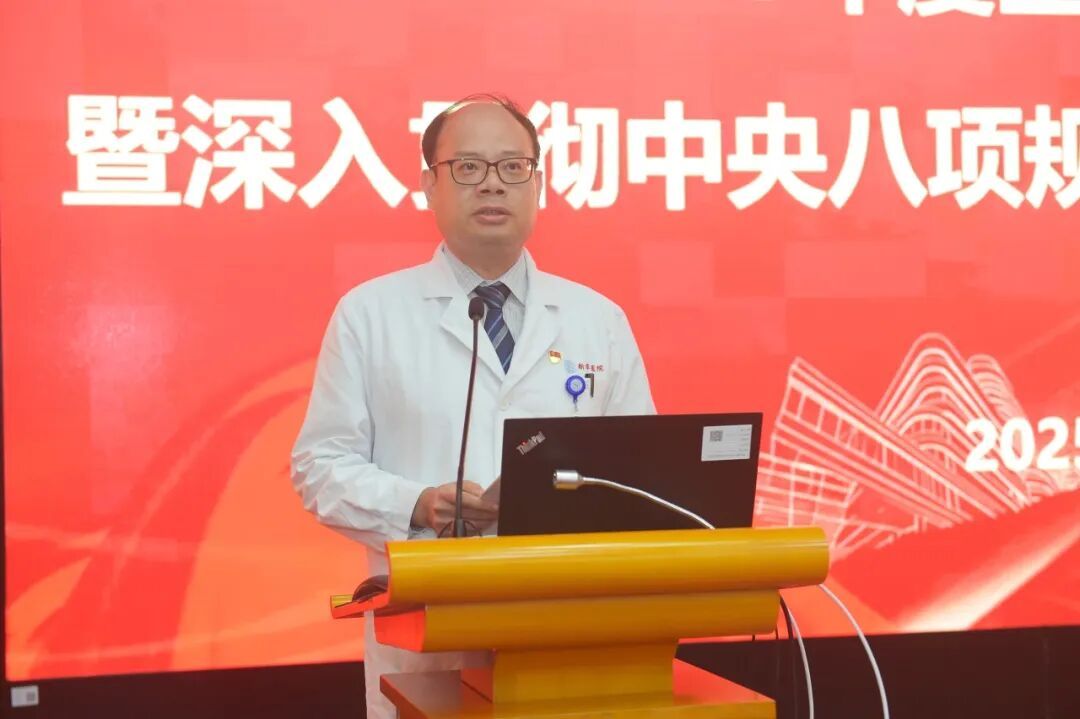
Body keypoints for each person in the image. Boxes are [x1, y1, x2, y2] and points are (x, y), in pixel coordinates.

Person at [290, 94, 655, 719]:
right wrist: (415, 504)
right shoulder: (371, 314)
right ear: (428, 184)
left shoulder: (598, 319)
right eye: (468, 167)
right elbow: (320, 466)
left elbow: (644, 472)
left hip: (568, 631)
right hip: (431, 636)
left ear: (538, 183)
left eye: (513, 166)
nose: (492, 183)